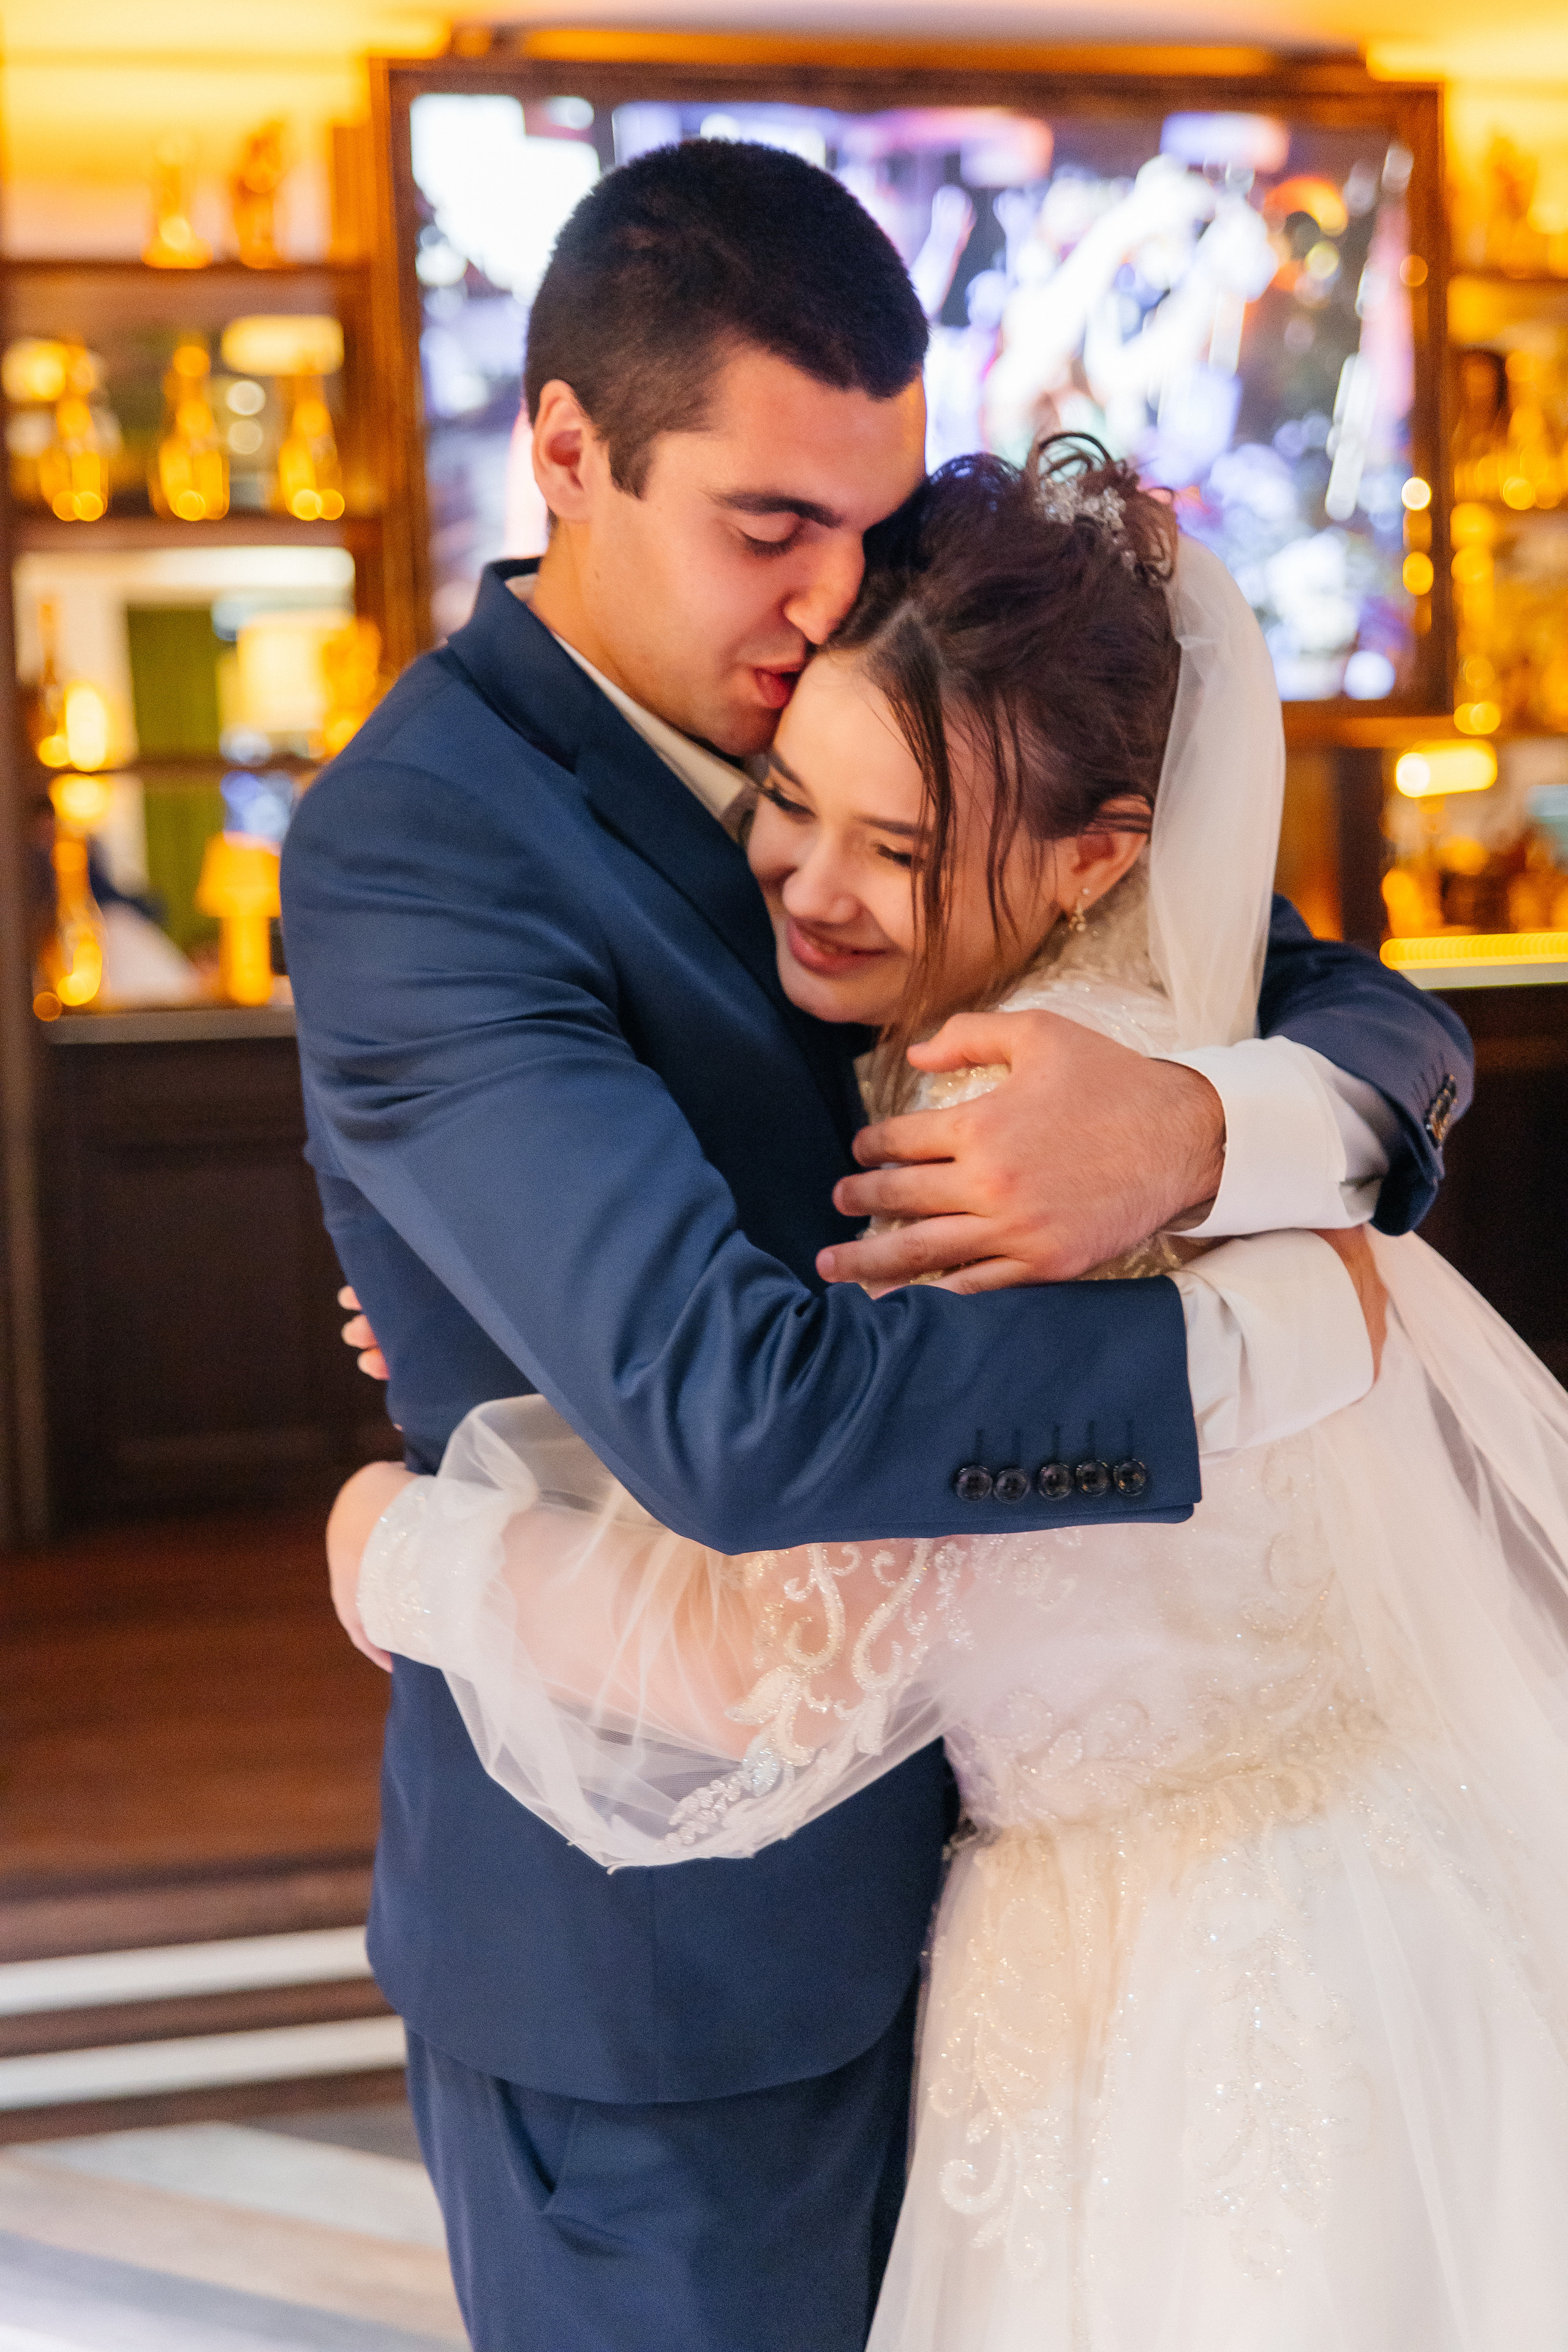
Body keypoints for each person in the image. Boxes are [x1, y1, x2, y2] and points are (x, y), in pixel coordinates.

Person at [282, 143, 1470, 2352]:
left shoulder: (895, 672)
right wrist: (1262, 1340)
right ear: (566, 451)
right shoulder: (423, 851)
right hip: (673, 1977)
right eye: (769, 527)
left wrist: (1202, 1129)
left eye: (865, 517)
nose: (835, 594)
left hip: (1028, 1900)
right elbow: (732, 1412)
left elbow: (1344, 1001)